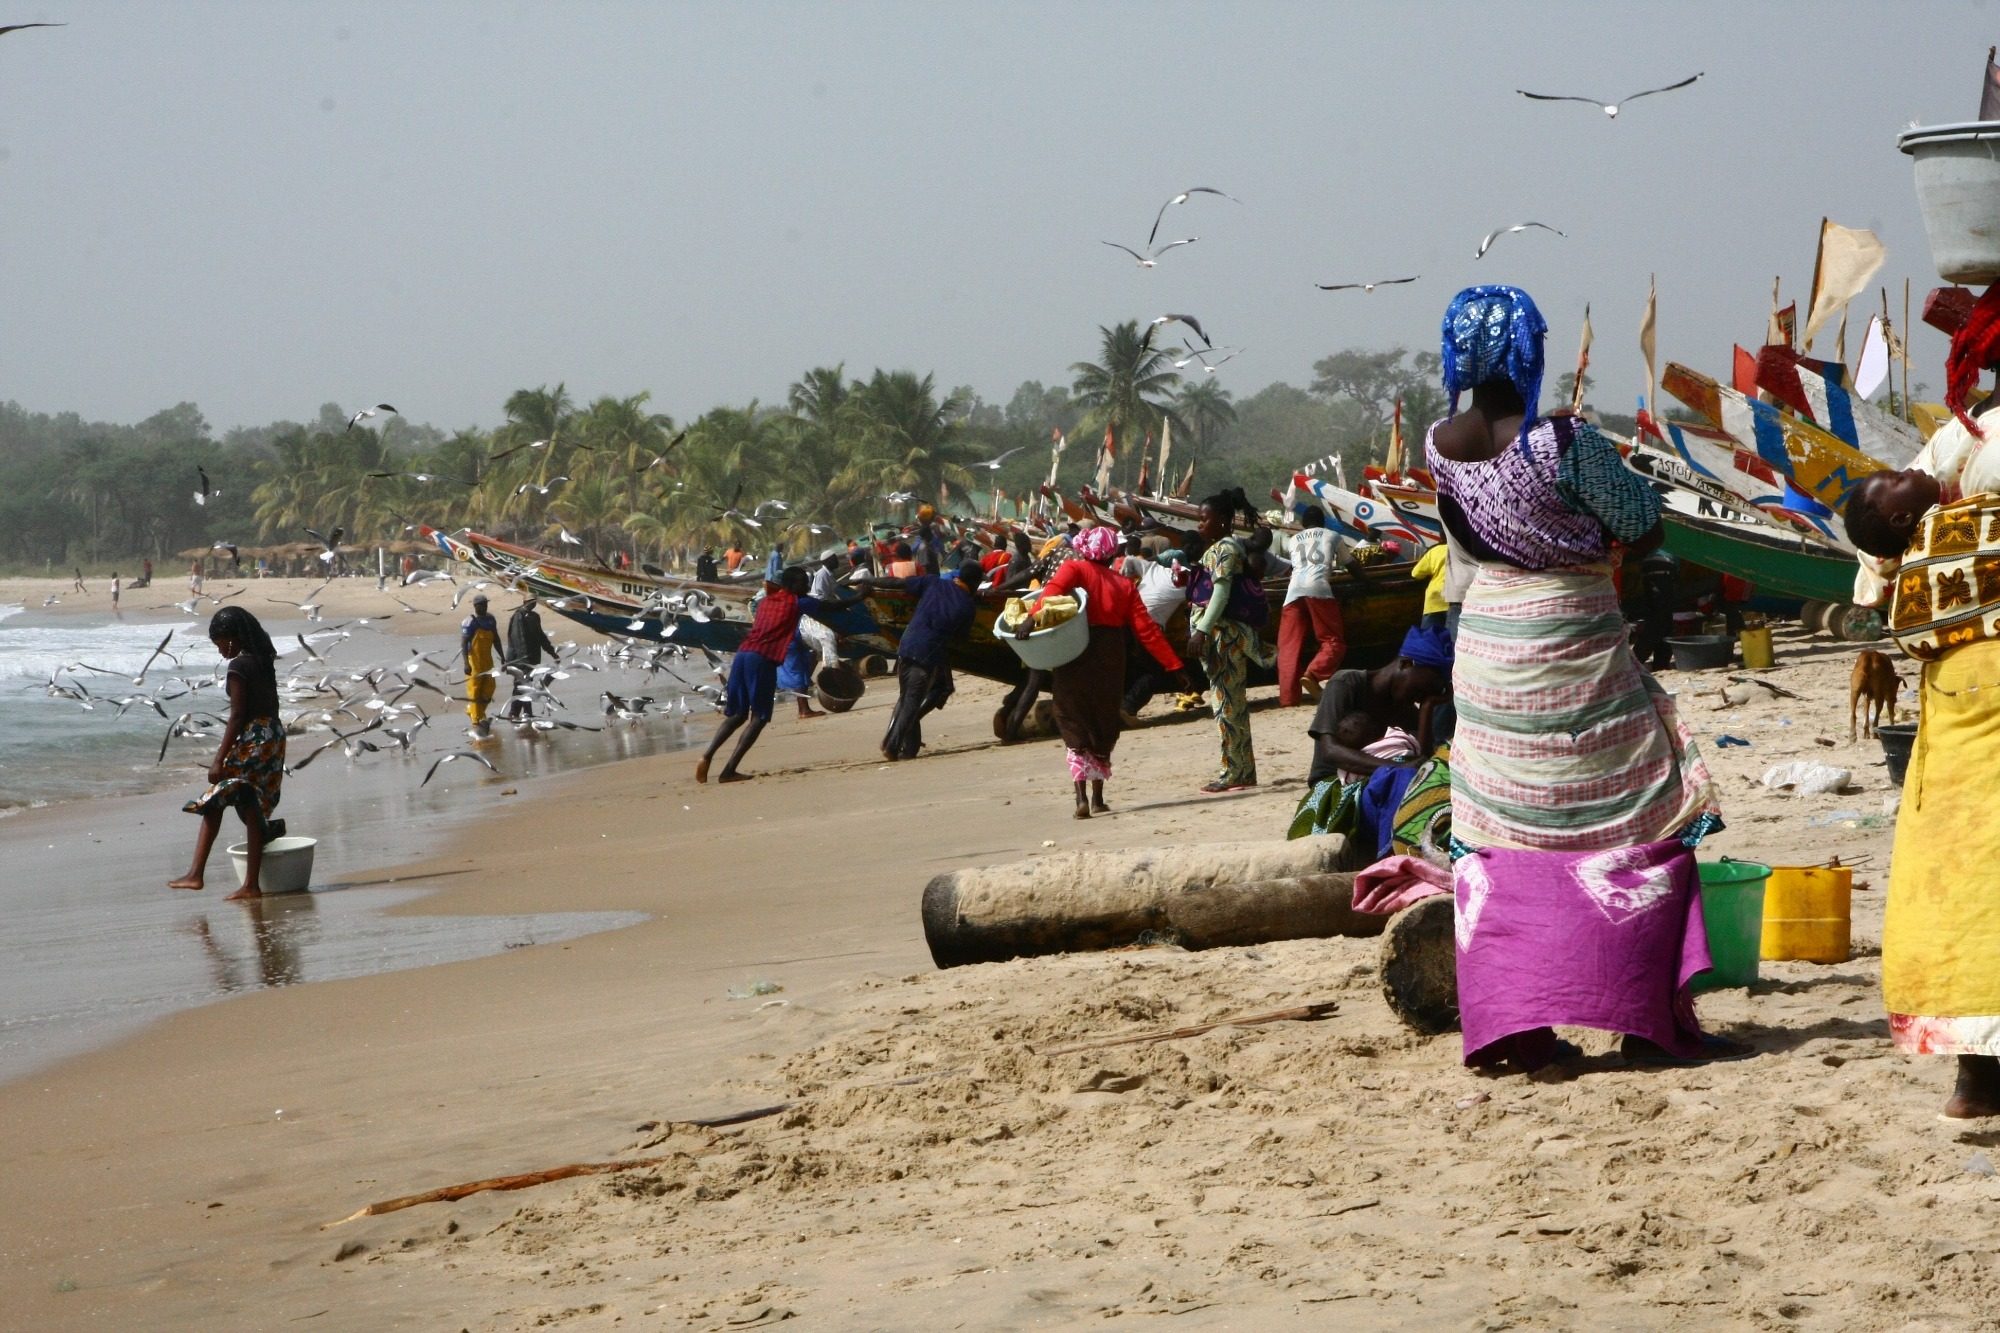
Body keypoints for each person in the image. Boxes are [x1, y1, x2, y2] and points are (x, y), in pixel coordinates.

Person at [1427, 284, 1727, 1074]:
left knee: (1503, 832)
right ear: (1528, 350)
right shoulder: (1564, 440)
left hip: (1493, 647)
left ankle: (1519, 1031)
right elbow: (1642, 523)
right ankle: (1645, 1019)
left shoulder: (1438, 443)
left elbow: (1464, 533)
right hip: (1574, 634)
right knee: (1642, 812)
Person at [1843, 284, 2000, 1118]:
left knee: (1964, 862)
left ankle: (1974, 1075)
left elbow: (1874, 579)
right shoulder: (1968, 439)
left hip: (1957, 687)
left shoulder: (1956, 440)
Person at [1026, 525, 1188, 817]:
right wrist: (1174, 666)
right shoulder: (1124, 585)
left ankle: (1081, 799)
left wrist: (1030, 619)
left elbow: (1050, 594)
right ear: (1111, 551)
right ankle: (1099, 798)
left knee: (1072, 716)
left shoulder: (1074, 570)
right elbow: (1147, 631)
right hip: (1111, 658)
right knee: (1102, 720)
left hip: (1075, 652)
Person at [169, 607, 286, 900]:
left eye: (220, 643)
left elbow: (236, 715)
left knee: (218, 798)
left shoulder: (238, 667)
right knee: (247, 802)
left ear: (232, 639)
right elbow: (270, 705)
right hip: (273, 735)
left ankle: (204, 876)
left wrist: (219, 758)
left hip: (253, 738)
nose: (220, 649)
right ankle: (249, 881)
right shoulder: (262, 660)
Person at [696, 566, 842, 784]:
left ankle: (706, 756)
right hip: (761, 659)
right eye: (803, 583)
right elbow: (832, 606)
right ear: (793, 585)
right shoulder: (797, 602)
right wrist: (861, 596)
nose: (806, 587)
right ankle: (729, 770)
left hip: (743, 654)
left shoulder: (765, 602)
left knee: (736, 714)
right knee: (759, 717)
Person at [1187, 488, 1266, 793]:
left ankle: (1234, 772)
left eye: (1204, 519)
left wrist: (1202, 630)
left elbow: (1220, 594)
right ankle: (1241, 770)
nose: (1199, 525)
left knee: (1227, 706)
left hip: (1223, 638)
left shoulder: (1224, 549)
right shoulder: (1222, 548)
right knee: (1231, 704)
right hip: (1222, 636)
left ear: (1221, 520)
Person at [877, 562, 982, 760]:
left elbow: (898, 584)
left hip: (906, 645)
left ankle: (906, 745)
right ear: (976, 583)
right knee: (911, 701)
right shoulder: (967, 606)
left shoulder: (934, 583)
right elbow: (961, 638)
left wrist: (867, 583)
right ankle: (892, 745)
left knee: (906, 696)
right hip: (927, 654)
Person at [1272, 506, 1344, 705]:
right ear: (1323, 522)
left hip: (1293, 592)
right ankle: (1313, 674)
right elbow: (1350, 563)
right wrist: (1370, 582)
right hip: (1319, 589)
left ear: (1303, 524)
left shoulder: (1294, 539)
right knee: (1332, 640)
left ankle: (1288, 697)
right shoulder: (1333, 535)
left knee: (1288, 647)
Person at [501, 596, 559, 721]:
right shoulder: (518, 617)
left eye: (535, 602)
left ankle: (522, 712)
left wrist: (552, 652)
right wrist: (524, 657)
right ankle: (516, 712)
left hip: (532, 657)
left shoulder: (535, 617)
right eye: (531, 602)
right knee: (522, 684)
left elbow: (541, 636)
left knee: (526, 684)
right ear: (525, 602)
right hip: (519, 658)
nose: (534, 604)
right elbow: (518, 638)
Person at [461, 593, 503, 736]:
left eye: (486, 604)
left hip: (488, 661)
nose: (485, 607)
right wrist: (466, 663)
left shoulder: (491, 620)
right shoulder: (470, 622)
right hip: (475, 662)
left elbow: (496, 639)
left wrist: (502, 657)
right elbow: (464, 642)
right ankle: (476, 720)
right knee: (475, 691)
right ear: (476, 606)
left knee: (490, 689)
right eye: (482, 605)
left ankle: (472, 711)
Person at [1409, 541, 1450, 631]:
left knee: (1429, 639)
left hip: (1434, 602)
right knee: (1454, 642)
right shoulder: (1467, 551)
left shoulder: (1435, 551)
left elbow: (1416, 574)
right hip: (1458, 602)